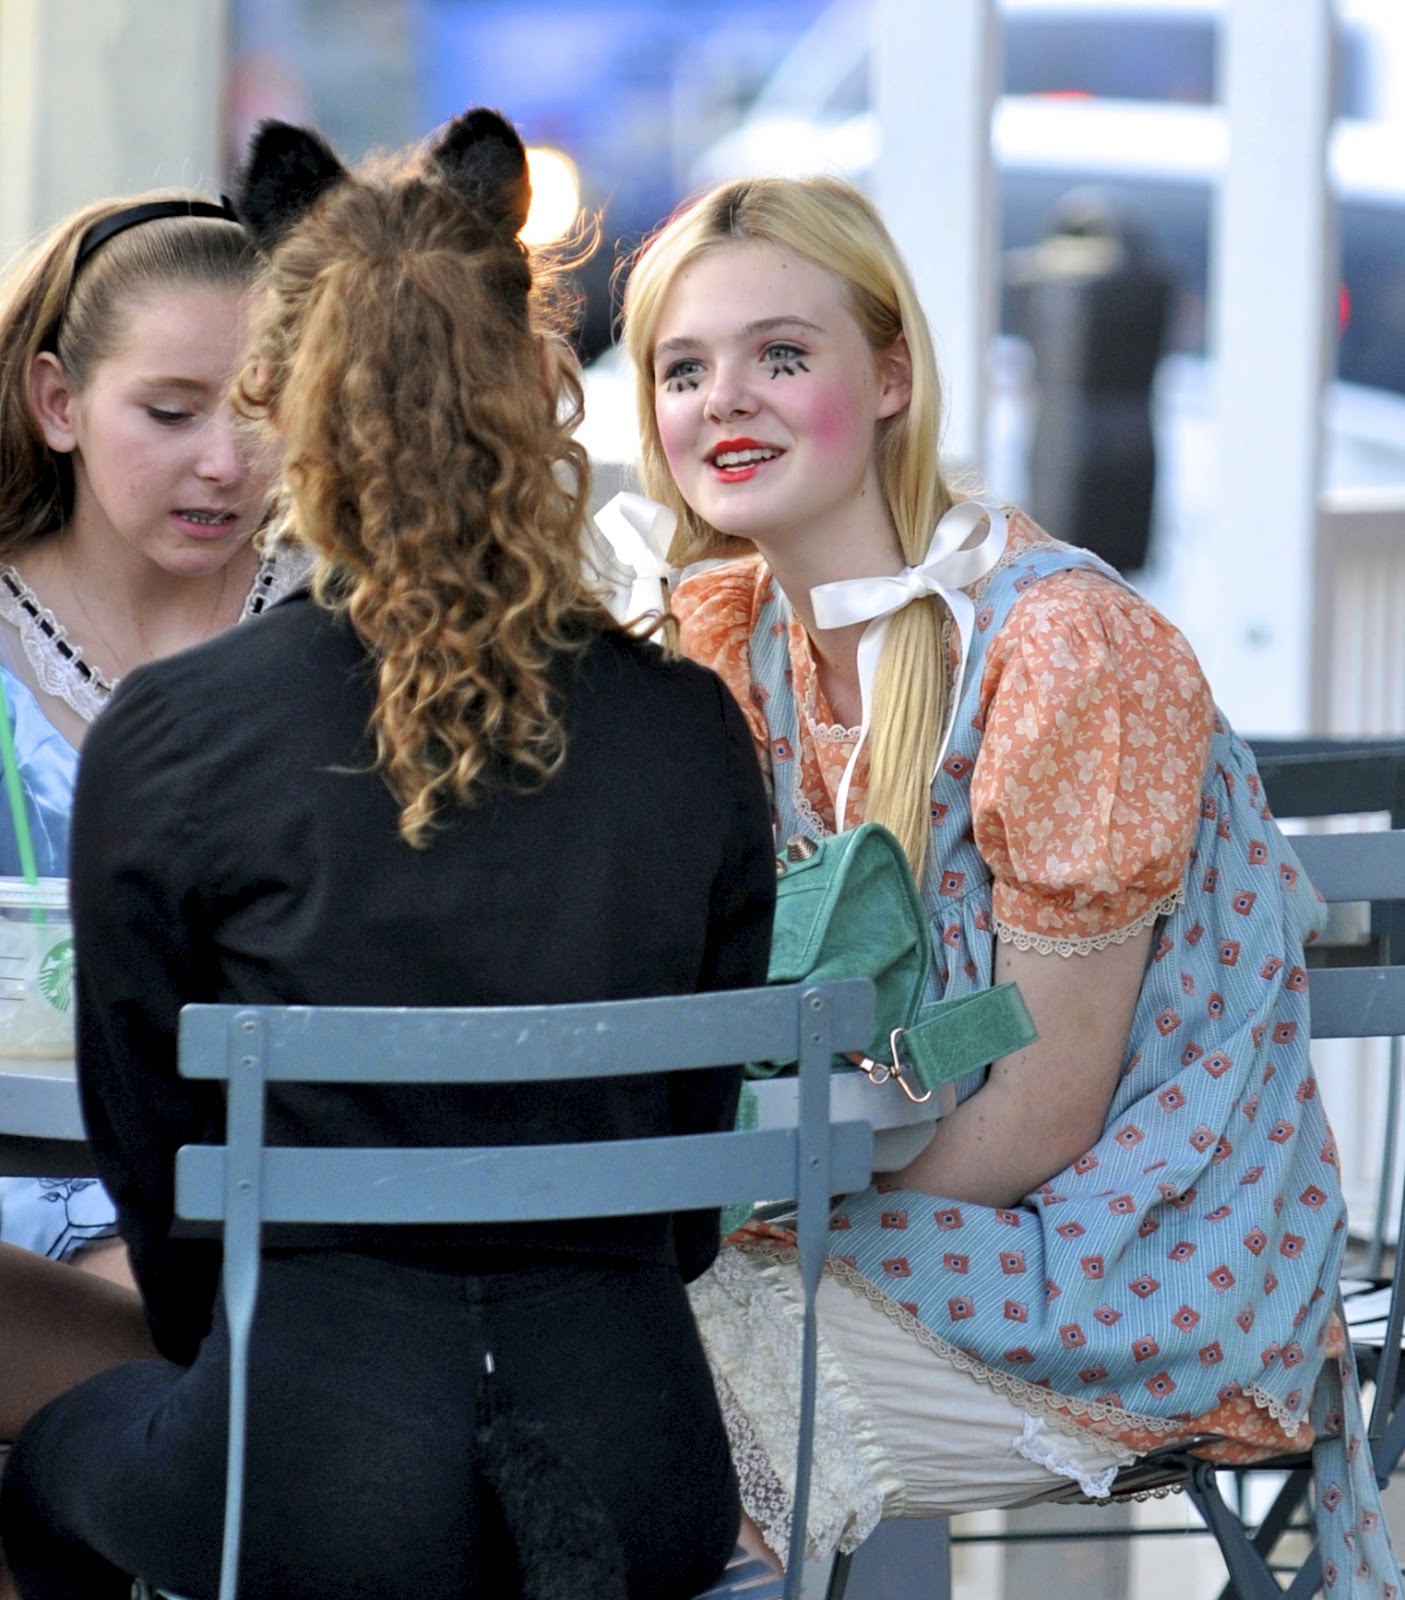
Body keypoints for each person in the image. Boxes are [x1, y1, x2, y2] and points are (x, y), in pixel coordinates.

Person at [0, 108, 775, 1600]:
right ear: (535, 392)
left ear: (283, 401)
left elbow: (162, 1195)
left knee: (54, 1471)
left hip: (307, 1483)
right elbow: (683, 1213)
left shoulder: (178, 737)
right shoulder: (688, 727)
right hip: (642, 1479)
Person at [618, 173, 1402, 1590]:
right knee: (536, 1349)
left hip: (1132, 1256)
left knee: (633, 1408)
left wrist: (756, 1209)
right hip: (895, 1212)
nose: (723, 400)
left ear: (892, 377)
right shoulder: (730, 646)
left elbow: (1043, 1111)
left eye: (780, 355)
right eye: (684, 370)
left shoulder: (1058, 648)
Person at [0, 189, 308, 1271]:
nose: (226, 462)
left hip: (269, 1202)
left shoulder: (354, 635)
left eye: (264, 411)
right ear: (58, 402)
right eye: (171, 414)